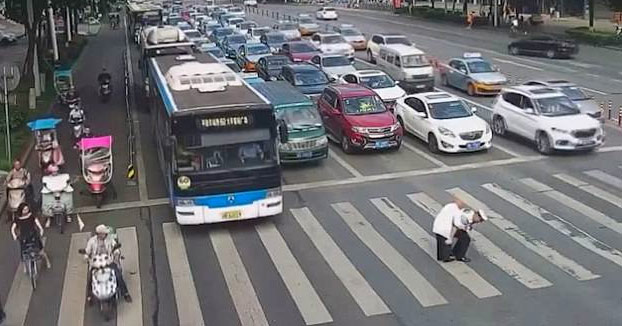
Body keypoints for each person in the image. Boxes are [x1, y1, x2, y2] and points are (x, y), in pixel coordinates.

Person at [84, 225, 132, 303]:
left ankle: (125, 293)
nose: (105, 235)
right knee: (90, 278)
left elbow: (116, 248)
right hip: (96, 263)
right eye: (103, 233)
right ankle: (90, 296)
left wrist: (116, 255)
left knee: (118, 275)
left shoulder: (110, 239)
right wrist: (87, 257)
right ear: (98, 234)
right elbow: (87, 251)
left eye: (105, 234)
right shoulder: (92, 241)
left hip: (108, 261)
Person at [10, 203, 52, 270]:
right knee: (23, 252)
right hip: (23, 237)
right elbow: (13, 228)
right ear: (21, 210)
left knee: (40, 251)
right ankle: (24, 266)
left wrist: (41, 229)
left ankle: (47, 261)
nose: (26, 211)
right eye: (24, 209)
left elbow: (37, 222)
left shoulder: (31, 216)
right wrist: (14, 235)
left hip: (33, 235)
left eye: (27, 209)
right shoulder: (18, 218)